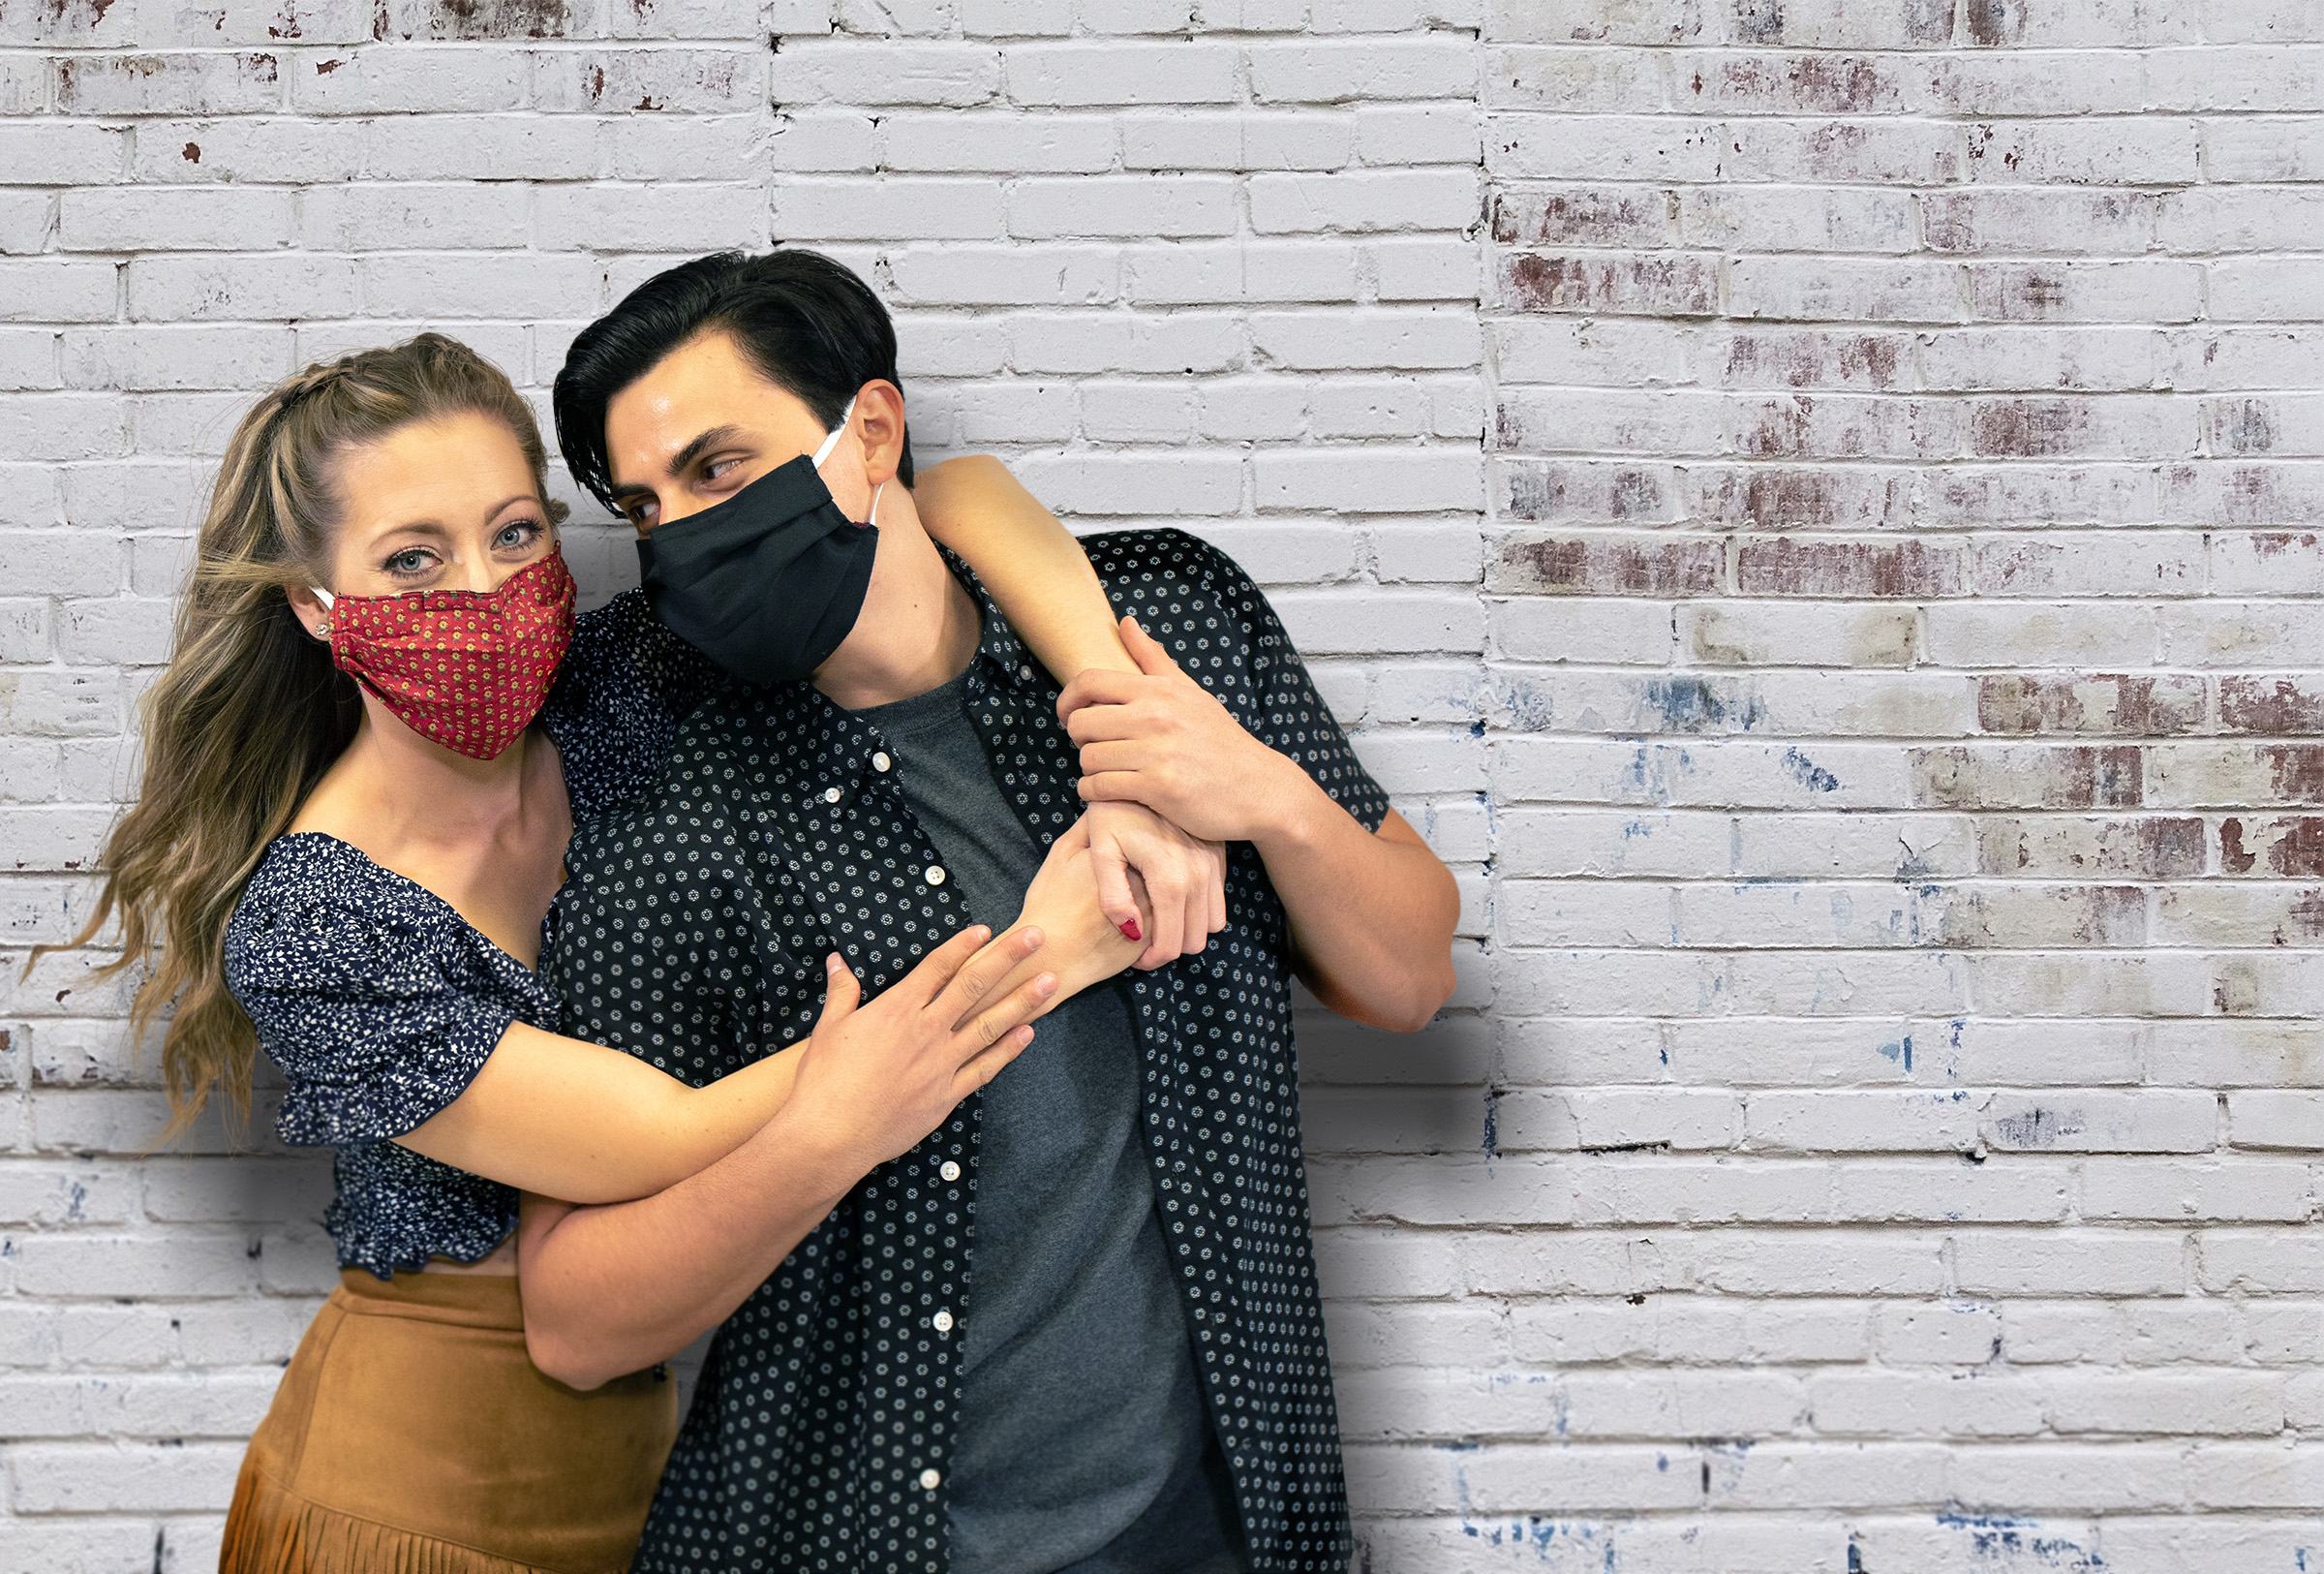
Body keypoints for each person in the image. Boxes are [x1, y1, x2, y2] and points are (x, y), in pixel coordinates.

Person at [54, 330, 1214, 1572]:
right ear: (314, 603)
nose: (484, 588)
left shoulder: (609, 690)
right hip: (417, 1491)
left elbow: (954, 494)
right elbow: (665, 1131)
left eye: (515, 534)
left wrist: (1121, 731)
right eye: (412, 558)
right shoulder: (317, 922)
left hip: (649, 1475)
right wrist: (1032, 954)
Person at [515, 249, 1463, 1574]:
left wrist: (1267, 796)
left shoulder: (1162, 626)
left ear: (873, 433)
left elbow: (1411, 972)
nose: (684, 532)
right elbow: (571, 1322)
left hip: (1232, 1521)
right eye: (649, 505)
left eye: (719, 469)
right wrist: (832, 1130)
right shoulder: (673, 833)